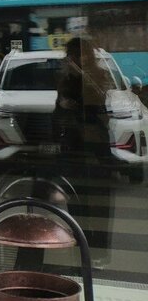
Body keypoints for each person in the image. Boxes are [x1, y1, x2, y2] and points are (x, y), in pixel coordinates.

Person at [55, 35, 114, 267]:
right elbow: (58, 110)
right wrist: (63, 107)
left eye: (79, 54)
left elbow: (98, 99)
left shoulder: (98, 74)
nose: (75, 58)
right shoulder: (65, 77)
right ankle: (79, 249)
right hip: (73, 145)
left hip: (95, 145)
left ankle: (99, 252)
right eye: (71, 54)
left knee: (99, 202)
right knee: (75, 198)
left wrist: (80, 74)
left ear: (88, 55)